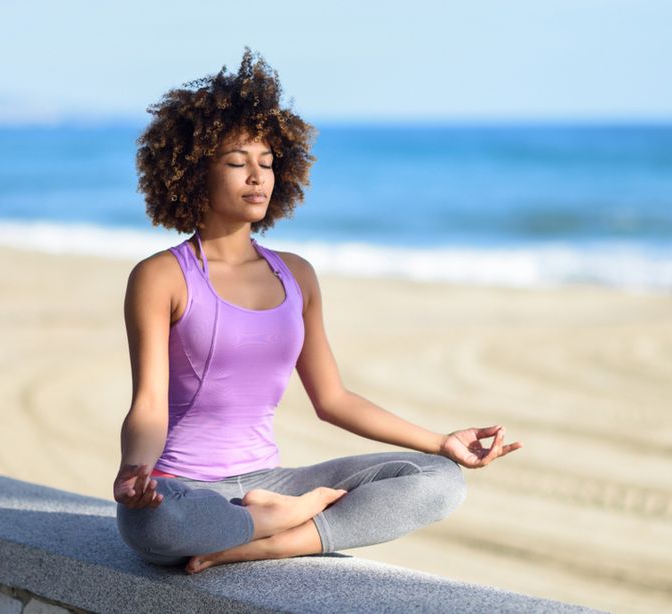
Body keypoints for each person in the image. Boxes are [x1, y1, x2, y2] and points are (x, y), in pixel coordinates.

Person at [114, 48, 523, 575]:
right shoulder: (162, 276)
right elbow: (149, 403)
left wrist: (442, 442)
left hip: (270, 482)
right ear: (195, 173)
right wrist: (134, 471)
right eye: (237, 163)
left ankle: (268, 539)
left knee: (441, 480)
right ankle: (274, 521)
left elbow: (333, 399)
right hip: (186, 488)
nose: (257, 177)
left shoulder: (296, 275)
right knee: (153, 527)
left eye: (267, 163)